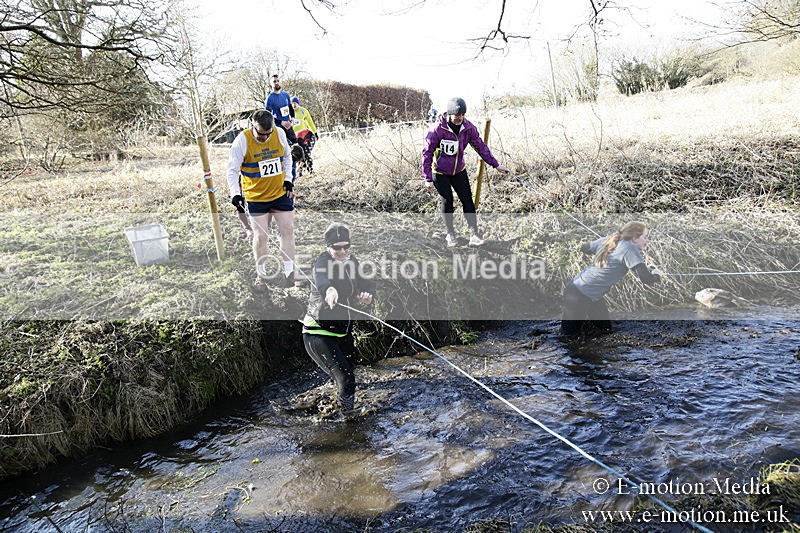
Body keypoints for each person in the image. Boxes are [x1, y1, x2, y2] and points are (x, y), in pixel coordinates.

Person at [301, 223, 376, 417]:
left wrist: (367, 296)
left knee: (350, 369)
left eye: (346, 246)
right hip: (319, 334)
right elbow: (321, 281)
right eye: (337, 247)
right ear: (328, 247)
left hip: (343, 332)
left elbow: (366, 284)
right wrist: (329, 291)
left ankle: (333, 402)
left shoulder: (352, 261)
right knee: (347, 378)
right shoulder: (322, 262)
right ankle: (347, 418)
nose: (342, 251)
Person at [421, 97, 509, 247]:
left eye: (462, 114)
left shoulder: (468, 128)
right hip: (440, 172)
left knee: (467, 200)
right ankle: (450, 235)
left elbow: (481, 147)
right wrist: (427, 178)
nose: (460, 118)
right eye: (457, 115)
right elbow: (426, 153)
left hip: (459, 170)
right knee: (447, 201)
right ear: (449, 114)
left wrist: (496, 165)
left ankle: (474, 235)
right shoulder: (437, 130)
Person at [227, 110, 299, 287]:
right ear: (252, 125)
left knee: (288, 230)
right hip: (256, 197)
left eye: (268, 134)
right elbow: (232, 171)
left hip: (280, 193)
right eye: (260, 134)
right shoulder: (241, 141)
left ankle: (289, 271)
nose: (265, 138)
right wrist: (235, 193)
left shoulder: (279, 133)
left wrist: (289, 180)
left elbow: (288, 157)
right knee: (261, 237)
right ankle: (263, 275)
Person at [561, 221, 663, 337]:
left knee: (605, 331)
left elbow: (584, 248)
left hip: (590, 294)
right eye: (645, 237)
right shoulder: (629, 248)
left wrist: (605, 244)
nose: (647, 241)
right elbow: (646, 279)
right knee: (568, 337)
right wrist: (657, 275)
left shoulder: (611, 240)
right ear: (635, 238)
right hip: (579, 294)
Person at [264, 74, 298, 145]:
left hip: (288, 125)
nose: (276, 83)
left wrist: (292, 118)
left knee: (296, 146)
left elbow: (290, 108)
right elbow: (267, 116)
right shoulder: (269, 99)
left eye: (278, 81)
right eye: (274, 81)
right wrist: (281, 122)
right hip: (278, 128)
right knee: (285, 147)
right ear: (271, 84)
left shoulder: (285, 95)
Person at [291, 96, 318, 175]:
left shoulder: (303, 111)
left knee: (306, 153)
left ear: (298, 104)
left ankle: (310, 169)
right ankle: (300, 171)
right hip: (295, 136)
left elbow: (310, 121)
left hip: (305, 134)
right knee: (297, 154)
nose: (294, 105)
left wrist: (315, 132)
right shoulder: (289, 112)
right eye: (292, 103)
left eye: (295, 103)